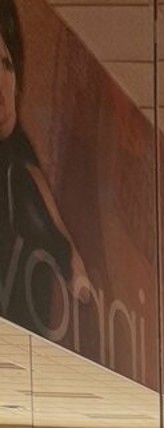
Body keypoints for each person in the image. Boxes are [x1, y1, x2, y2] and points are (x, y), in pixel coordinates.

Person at [0, 0, 83, 336]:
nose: (2, 86)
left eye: (6, 64)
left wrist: (70, 260)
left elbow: (69, 256)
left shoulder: (21, 166)